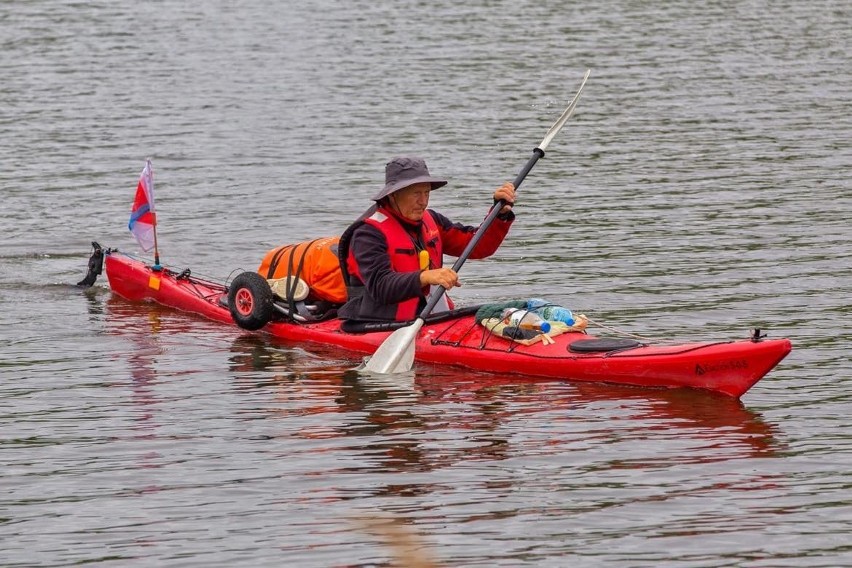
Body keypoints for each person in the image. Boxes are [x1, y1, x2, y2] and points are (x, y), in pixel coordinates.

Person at [337, 156, 516, 325]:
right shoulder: (367, 234)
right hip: (378, 323)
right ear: (393, 195)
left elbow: (477, 247)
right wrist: (425, 276)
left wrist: (499, 214)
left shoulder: (432, 220)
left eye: (426, 193)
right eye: (416, 193)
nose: (423, 202)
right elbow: (381, 286)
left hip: (430, 318)